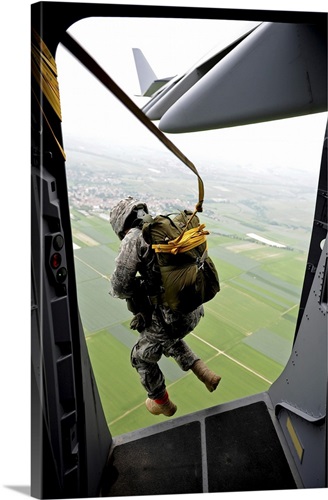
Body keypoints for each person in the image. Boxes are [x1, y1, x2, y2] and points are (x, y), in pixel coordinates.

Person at [109, 196, 221, 417]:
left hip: (174, 318)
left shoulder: (133, 238)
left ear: (121, 226)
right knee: (159, 335)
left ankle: (162, 402)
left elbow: (120, 286)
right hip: (194, 308)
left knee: (140, 356)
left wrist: (140, 291)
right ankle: (203, 372)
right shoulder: (162, 226)